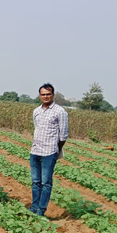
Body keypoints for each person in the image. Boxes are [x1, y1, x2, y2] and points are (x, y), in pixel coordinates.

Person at [29, 83, 69, 216]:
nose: (45, 96)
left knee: (46, 182)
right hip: (35, 150)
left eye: (48, 94)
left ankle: (41, 210)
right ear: (39, 95)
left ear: (53, 95)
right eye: (43, 94)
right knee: (35, 181)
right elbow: (36, 128)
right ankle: (34, 207)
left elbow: (63, 135)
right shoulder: (36, 111)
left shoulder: (60, 112)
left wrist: (56, 149)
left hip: (49, 152)